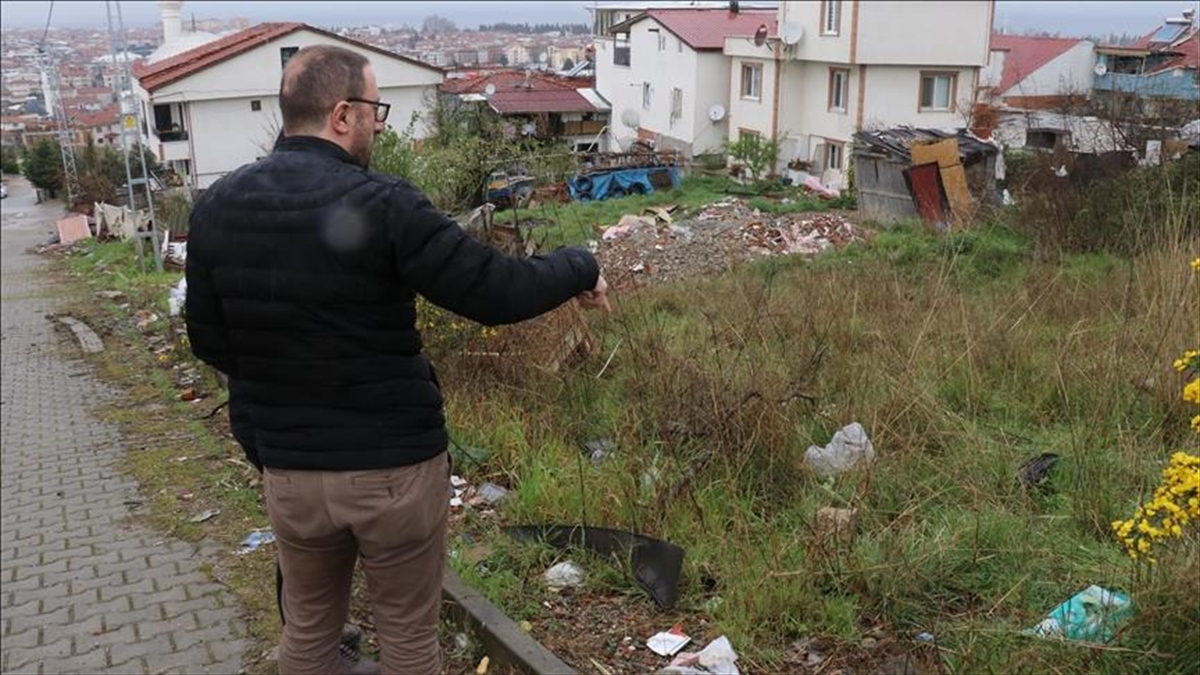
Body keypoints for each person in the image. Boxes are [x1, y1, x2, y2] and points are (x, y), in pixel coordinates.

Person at [185, 44, 609, 675]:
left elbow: (211, 344)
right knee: (409, 642)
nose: (379, 125)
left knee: (307, 634)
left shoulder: (217, 207)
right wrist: (581, 263)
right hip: (391, 470)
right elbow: (495, 291)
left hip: (291, 474)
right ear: (341, 114)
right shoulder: (385, 203)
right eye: (376, 110)